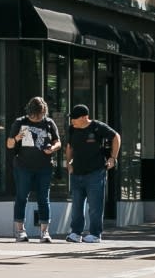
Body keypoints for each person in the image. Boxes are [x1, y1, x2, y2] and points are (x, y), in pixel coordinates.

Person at [63, 104, 120, 244]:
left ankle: (95, 234)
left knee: (95, 206)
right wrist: (68, 163)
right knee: (76, 205)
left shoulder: (97, 127)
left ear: (84, 117)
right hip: (77, 172)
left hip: (96, 172)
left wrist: (113, 157)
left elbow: (116, 137)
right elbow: (69, 147)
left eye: (75, 119)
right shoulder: (72, 129)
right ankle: (75, 233)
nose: (72, 121)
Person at [6, 97, 61, 243]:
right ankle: (20, 231)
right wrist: (17, 137)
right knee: (22, 197)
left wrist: (53, 149)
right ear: (29, 113)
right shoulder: (20, 122)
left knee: (44, 198)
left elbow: (58, 142)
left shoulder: (49, 123)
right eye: (35, 116)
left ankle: (44, 232)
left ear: (44, 112)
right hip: (23, 166)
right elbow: (9, 144)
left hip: (44, 166)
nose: (37, 118)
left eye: (40, 115)